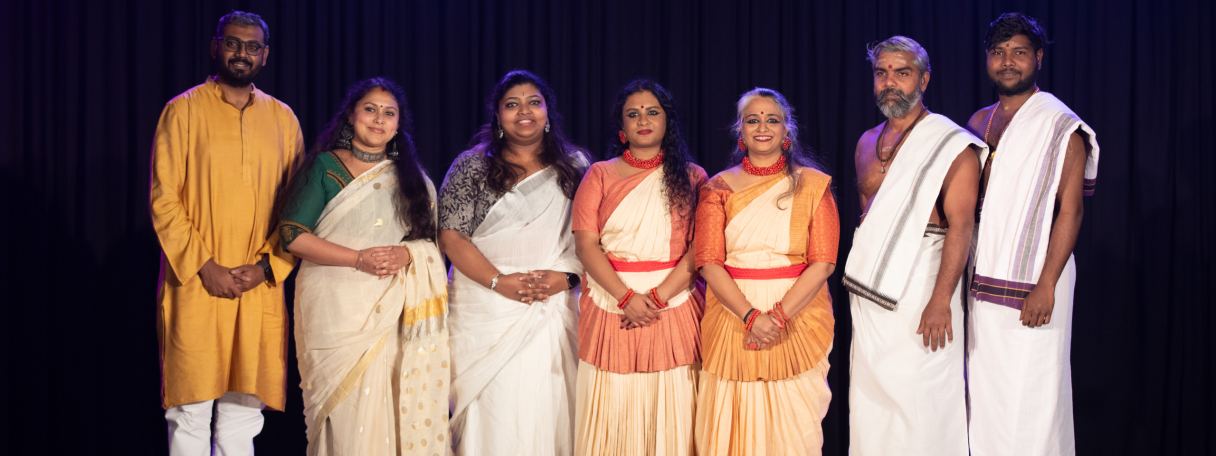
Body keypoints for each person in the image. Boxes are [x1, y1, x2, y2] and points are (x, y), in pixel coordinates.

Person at [150, 11, 303, 455]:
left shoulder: (283, 119)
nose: (242, 53)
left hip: (258, 285)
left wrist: (267, 268)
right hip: (196, 284)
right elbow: (164, 198)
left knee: (243, 415)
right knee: (190, 410)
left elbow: (298, 209)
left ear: (265, 56)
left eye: (252, 46)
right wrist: (205, 266)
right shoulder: (183, 110)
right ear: (216, 47)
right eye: (233, 43)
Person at [275, 78, 449, 455]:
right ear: (351, 115)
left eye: (389, 113)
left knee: (388, 405)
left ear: (398, 125)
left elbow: (432, 246)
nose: (378, 119)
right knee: (342, 413)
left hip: (390, 308)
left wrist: (408, 255)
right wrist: (357, 258)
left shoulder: (413, 180)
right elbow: (292, 234)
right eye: (370, 109)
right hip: (332, 308)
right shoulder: (325, 166)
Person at [964, 13, 1100, 456]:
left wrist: (1046, 284)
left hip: (1038, 279)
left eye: (1019, 52)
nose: (1008, 62)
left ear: (1038, 58)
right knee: (984, 392)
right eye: (998, 52)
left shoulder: (1061, 125)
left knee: (1032, 393)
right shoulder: (978, 122)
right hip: (983, 273)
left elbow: (1071, 211)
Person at [842, 36, 985, 456]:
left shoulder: (951, 143)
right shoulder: (866, 142)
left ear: (923, 80)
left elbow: (962, 225)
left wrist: (941, 300)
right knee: (871, 397)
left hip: (925, 285)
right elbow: (870, 220)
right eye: (881, 73)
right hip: (870, 294)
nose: (890, 83)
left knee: (922, 394)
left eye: (902, 73)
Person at [440, 70, 589, 456]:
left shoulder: (575, 166)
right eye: (512, 104)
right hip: (485, 307)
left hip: (553, 307)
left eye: (533, 102)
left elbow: (592, 236)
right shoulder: (472, 166)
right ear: (498, 116)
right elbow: (451, 235)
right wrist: (498, 281)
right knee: (496, 410)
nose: (524, 111)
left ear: (547, 112)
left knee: (549, 405)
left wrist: (567, 278)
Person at [693, 88, 838, 455]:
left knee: (795, 427)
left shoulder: (813, 185)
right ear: (739, 130)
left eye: (772, 120)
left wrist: (778, 317)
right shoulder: (716, 188)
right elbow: (708, 261)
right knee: (730, 416)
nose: (762, 127)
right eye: (752, 120)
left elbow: (823, 262)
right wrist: (750, 316)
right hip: (732, 314)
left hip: (798, 316)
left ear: (786, 130)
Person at [571, 79, 708, 456]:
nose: (643, 120)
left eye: (652, 112)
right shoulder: (599, 174)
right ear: (622, 127)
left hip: (675, 301)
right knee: (612, 407)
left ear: (667, 121)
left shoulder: (694, 177)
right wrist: (626, 297)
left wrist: (657, 299)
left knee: (674, 406)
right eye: (633, 114)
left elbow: (700, 249)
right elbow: (585, 245)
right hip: (610, 300)